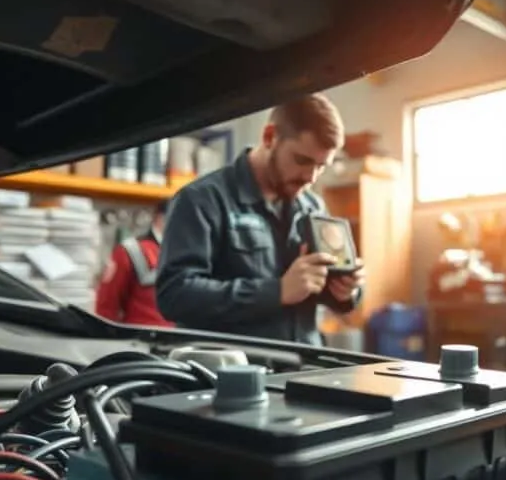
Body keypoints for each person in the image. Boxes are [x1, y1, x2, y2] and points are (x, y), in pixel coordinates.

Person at [156, 93, 365, 345]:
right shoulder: (202, 200)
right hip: (235, 372)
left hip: (301, 366)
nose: (311, 177)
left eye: (322, 166)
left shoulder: (313, 206)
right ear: (269, 137)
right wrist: (276, 292)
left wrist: (345, 291)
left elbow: (316, 287)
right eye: (302, 160)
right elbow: (175, 296)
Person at [95, 201, 174, 327]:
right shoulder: (130, 251)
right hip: (141, 341)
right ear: (162, 218)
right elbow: (107, 307)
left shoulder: (193, 254)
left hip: (185, 341)